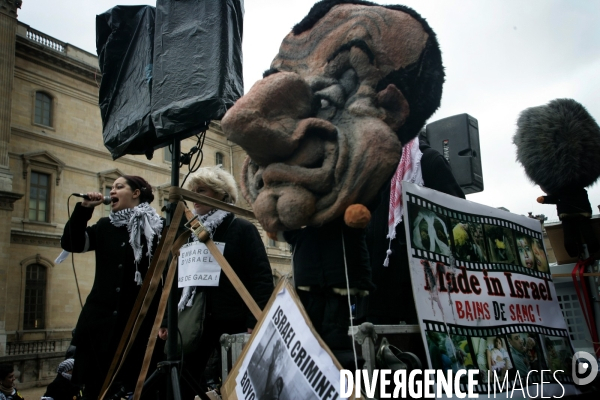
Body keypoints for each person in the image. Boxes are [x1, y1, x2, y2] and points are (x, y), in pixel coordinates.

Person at [158, 166, 273, 399]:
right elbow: (176, 280)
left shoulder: (242, 229)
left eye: (201, 190)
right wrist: (166, 319)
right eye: (192, 191)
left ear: (221, 194)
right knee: (186, 381)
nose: (193, 197)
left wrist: (255, 320)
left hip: (233, 322)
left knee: (235, 385)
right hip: (193, 323)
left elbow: (260, 278)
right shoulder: (188, 232)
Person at [60, 175, 164, 400]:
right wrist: (84, 209)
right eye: (112, 187)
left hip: (138, 326)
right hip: (100, 327)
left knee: (138, 388)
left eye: (119, 187)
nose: (112, 191)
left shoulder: (157, 227)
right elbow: (71, 243)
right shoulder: (106, 226)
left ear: (136, 193)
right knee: (95, 389)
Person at [366, 134, 465, 325]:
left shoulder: (429, 161)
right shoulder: (373, 168)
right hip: (374, 296)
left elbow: (458, 220)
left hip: (416, 297)